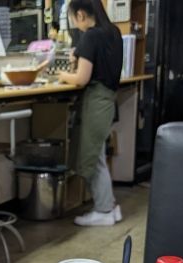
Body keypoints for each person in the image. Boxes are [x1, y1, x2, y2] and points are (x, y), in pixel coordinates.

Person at [59, 0, 123, 226]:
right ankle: (110, 206)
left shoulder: (91, 36)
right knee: (99, 154)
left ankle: (104, 211)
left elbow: (81, 78)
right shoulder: (113, 32)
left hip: (96, 101)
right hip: (108, 100)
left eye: (73, 18)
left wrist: (62, 75)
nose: (75, 24)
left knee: (93, 157)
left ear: (81, 14)